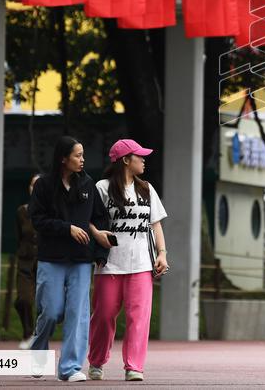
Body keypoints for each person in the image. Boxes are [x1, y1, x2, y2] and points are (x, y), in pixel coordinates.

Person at [28, 136, 113, 383]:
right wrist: (67, 228)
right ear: (63, 159)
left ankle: (70, 368)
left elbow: (100, 220)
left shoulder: (88, 184)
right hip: (51, 258)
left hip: (81, 261)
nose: (82, 160)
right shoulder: (43, 185)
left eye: (83, 155)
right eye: (78, 155)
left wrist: (100, 253)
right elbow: (37, 220)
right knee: (51, 311)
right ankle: (38, 352)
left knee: (78, 314)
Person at [88, 139, 168, 383]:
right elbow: (88, 219)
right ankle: (97, 362)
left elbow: (155, 224)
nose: (144, 160)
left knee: (139, 317)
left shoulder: (146, 189)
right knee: (103, 316)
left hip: (142, 265)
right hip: (109, 265)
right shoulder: (102, 188)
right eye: (139, 156)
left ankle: (134, 367)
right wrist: (96, 234)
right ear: (125, 160)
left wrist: (162, 253)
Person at [15, 174, 40, 349]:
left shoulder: (53, 210)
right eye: (33, 185)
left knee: (47, 304)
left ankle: (39, 335)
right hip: (25, 262)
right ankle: (28, 333)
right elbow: (20, 236)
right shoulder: (22, 211)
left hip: (46, 262)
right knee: (23, 300)